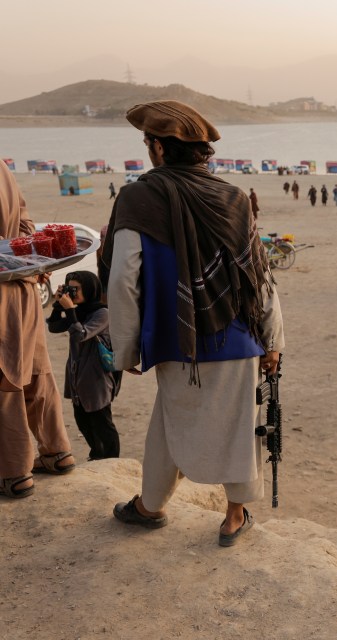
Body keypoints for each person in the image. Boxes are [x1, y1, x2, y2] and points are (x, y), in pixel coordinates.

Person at [101, 100, 284, 546]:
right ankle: (233, 517)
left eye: (148, 142)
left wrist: (126, 349)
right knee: (240, 425)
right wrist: (273, 338)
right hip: (239, 338)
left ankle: (150, 506)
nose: (147, 150)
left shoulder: (138, 197)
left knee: (169, 419)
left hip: (176, 338)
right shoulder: (234, 199)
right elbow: (259, 275)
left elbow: (124, 278)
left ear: (160, 149)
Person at [0, 162, 76, 499]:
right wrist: (29, 263)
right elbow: (27, 227)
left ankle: (15, 473)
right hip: (24, 286)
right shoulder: (3, 168)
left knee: (6, 381)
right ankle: (57, 452)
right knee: (36, 370)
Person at [46, 271, 120, 460]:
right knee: (83, 421)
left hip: (96, 379)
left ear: (89, 288)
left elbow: (80, 335)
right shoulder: (79, 311)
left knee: (102, 423)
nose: (73, 293)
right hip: (77, 377)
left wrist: (70, 310)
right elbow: (54, 327)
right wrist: (58, 305)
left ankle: (111, 460)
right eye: (70, 288)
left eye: (76, 289)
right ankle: (96, 456)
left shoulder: (103, 314)